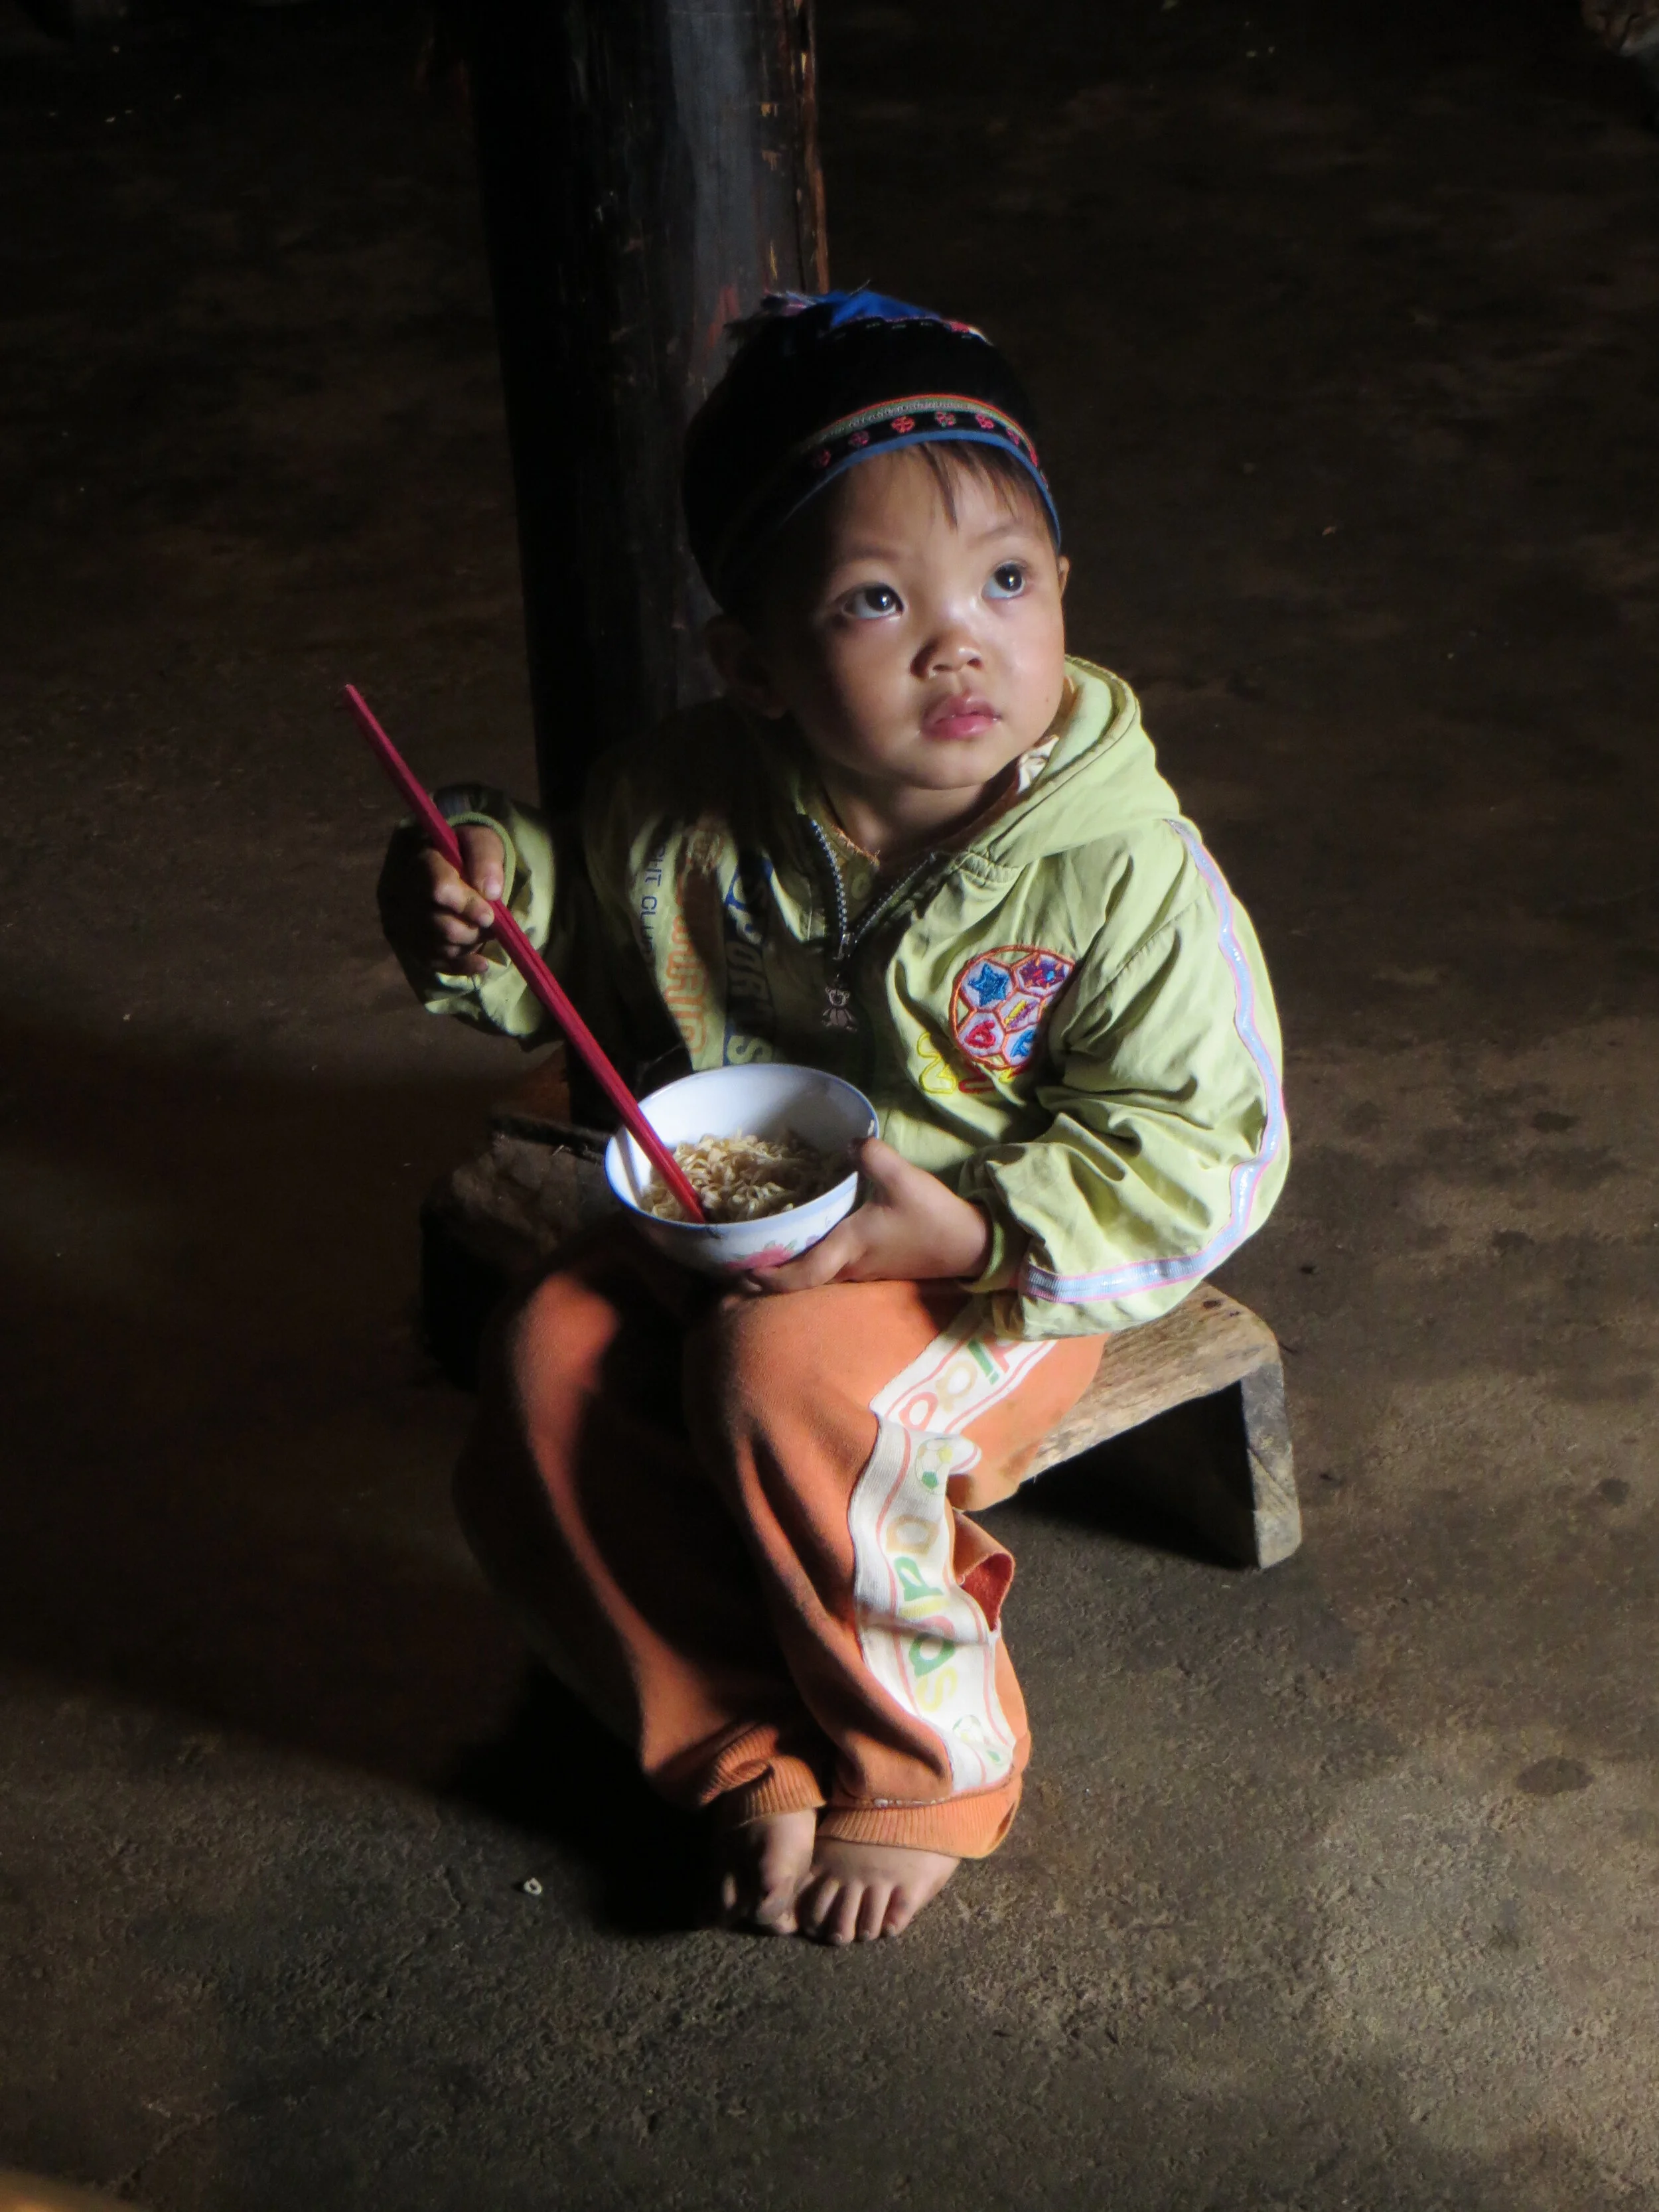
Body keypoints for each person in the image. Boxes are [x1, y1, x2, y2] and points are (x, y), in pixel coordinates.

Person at [378, 292, 1289, 1944]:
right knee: (547, 1361)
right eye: (875, 601)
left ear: (1061, 589)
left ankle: (927, 1757)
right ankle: (740, 1743)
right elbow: (582, 947)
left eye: (1003, 582)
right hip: (746, 1216)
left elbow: (1206, 1148)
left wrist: (982, 1228)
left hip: (995, 1264)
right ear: (754, 664)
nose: (958, 643)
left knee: (781, 1377)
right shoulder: (684, 806)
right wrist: (485, 891)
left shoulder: (1121, 869)